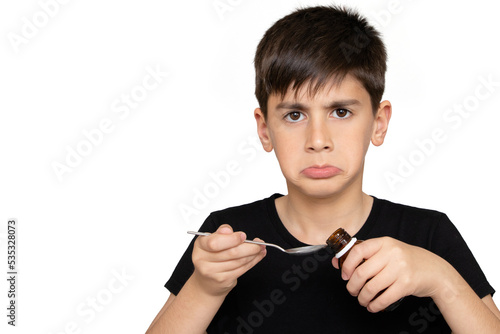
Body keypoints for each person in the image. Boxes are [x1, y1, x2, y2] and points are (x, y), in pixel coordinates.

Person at [146, 5, 500, 333]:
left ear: (378, 123)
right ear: (265, 129)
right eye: (294, 115)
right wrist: (204, 289)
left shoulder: (428, 235)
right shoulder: (227, 239)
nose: (318, 140)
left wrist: (441, 279)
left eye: (341, 112)